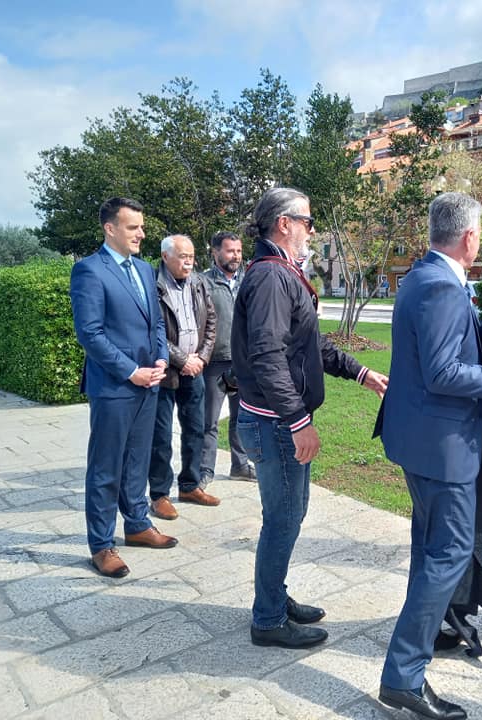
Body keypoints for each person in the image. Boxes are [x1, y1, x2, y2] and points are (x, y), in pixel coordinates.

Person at [376, 192, 482, 720]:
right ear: (469, 237)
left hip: (421, 440)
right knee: (447, 553)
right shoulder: (441, 287)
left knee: (431, 549)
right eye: (481, 234)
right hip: (442, 448)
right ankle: (403, 677)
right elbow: (444, 372)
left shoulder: (422, 276)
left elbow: (447, 345)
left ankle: (434, 631)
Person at [232, 187, 389, 650]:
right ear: (284, 223)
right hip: (275, 424)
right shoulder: (270, 277)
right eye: (307, 221)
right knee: (283, 520)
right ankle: (268, 619)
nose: (312, 231)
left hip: (276, 422)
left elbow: (309, 344)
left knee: (288, 515)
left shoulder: (281, 273)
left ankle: (274, 598)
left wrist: (359, 372)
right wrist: (298, 421)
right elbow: (267, 356)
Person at [70, 197, 178, 579]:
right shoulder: (89, 271)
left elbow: (157, 324)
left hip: (150, 384)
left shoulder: (146, 270)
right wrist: (131, 371)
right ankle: (102, 545)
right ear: (110, 228)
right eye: (133, 227)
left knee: (137, 461)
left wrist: (161, 358)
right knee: (106, 468)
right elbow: (90, 334)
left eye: (142, 227)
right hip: (114, 387)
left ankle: (137, 524)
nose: (141, 234)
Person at [147, 234, 219, 520]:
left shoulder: (199, 283)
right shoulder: (153, 285)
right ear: (166, 257)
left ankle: (190, 485)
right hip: (165, 371)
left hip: (195, 370)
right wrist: (181, 359)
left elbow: (211, 322)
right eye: (183, 256)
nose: (189, 262)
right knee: (161, 436)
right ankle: (159, 494)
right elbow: (152, 329)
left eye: (191, 256)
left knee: (195, 429)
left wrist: (201, 357)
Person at [200, 231, 255, 485]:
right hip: (214, 363)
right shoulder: (202, 282)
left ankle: (240, 466)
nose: (236, 256)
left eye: (239, 251)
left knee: (240, 417)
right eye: (230, 251)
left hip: (242, 362)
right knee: (208, 420)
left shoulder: (249, 281)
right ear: (215, 252)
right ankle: (204, 470)